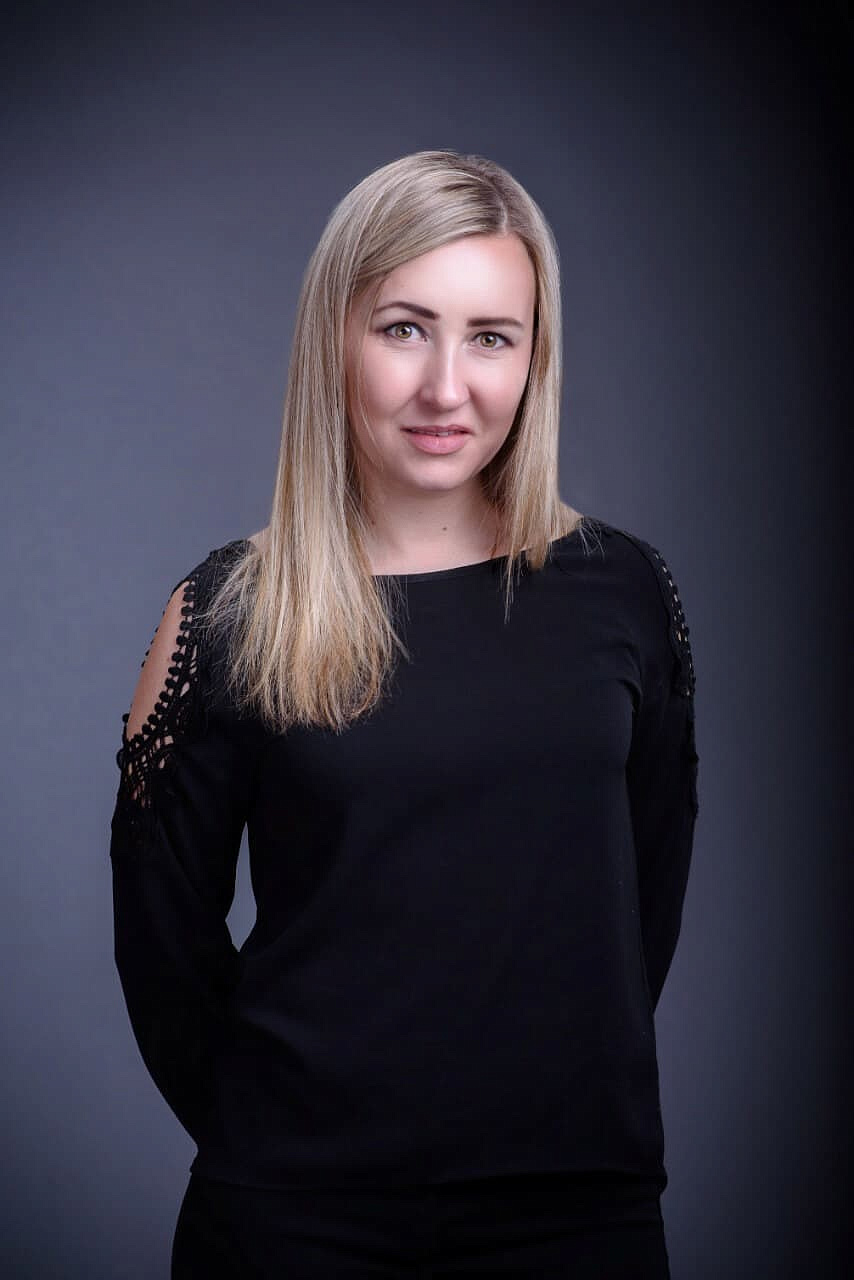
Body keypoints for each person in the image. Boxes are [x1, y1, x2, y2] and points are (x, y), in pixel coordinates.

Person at [109, 149, 699, 1278]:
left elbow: (644, 906)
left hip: (577, 1213)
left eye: (491, 337)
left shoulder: (625, 591)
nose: (445, 388)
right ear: (333, 340)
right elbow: (162, 952)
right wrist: (292, 1143)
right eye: (403, 328)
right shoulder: (229, 611)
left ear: (536, 357)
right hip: (296, 1222)